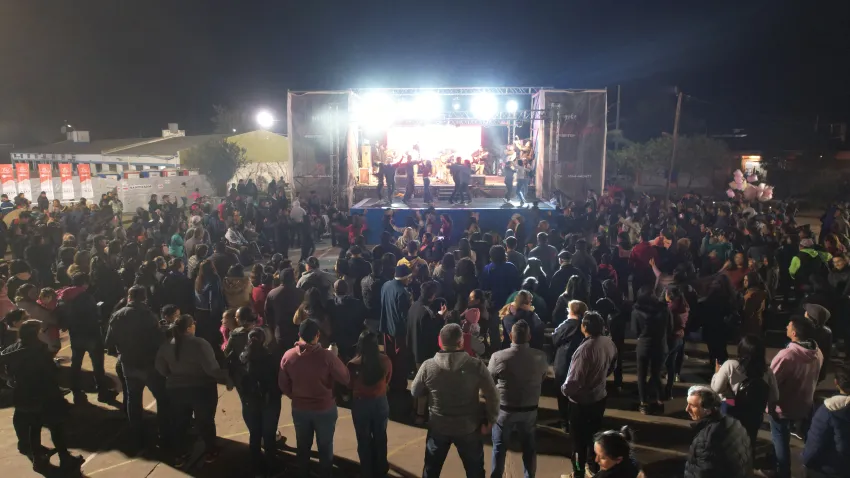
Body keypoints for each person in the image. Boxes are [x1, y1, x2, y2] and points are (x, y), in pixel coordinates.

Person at [411, 323, 499, 478]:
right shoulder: (476, 365)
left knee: (431, 470)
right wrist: (491, 420)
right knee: (475, 471)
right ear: (461, 342)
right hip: (468, 427)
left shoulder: (428, 366)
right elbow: (492, 394)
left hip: (438, 426)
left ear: (440, 341)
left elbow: (415, 391)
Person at [0, 320, 84, 473]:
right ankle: (65, 458)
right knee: (56, 427)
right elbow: (50, 373)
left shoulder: (13, 349)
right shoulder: (39, 350)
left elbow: (4, 365)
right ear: (34, 334)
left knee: (34, 427)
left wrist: (10, 379)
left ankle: (38, 460)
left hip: (24, 394)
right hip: (45, 394)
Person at [278, 319, 350, 478]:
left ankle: (303, 473)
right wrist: (335, 357)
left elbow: (283, 384)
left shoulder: (288, 356)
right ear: (318, 335)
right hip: (324, 409)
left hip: (300, 408)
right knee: (325, 446)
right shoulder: (327, 356)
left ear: (299, 334)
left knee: (303, 446)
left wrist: (295, 396)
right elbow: (345, 378)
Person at [155, 314, 229, 465]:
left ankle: (180, 453)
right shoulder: (200, 344)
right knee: (205, 421)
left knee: (180, 422)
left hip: (176, 390)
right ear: (189, 328)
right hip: (201, 389)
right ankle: (211, 451)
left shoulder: (167, 345)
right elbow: (211, 369)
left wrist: (172, 375)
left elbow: (160, 367)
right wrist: (226, 376)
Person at [105, 286, 169, 451]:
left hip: (128, 363)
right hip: (149, 364)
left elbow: (108, 342)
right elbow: (159, 342)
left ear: (129, 297)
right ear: (144, 298)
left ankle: (136, 433)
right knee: (162, 398)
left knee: (133, 399)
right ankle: (164, 432)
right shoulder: (149, 316)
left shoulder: (117, 316)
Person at [488, 320, 549, 478]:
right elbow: (543, 376)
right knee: (529, 447)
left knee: (499, 447)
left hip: (504, 409)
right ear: (529, 336)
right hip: (530, 409)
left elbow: (489, 380)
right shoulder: (540, 356)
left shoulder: (498, 357)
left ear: (510, 336)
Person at [766, 316, 824, 478]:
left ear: (794, 333)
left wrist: (769, 405)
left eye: (789, 325)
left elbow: (771, 381)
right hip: (804, 402)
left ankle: (783, 472)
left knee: (780, 438)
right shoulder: (817, 352)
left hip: (782, 407)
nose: (786, 326)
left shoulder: (787, 355)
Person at [561, 312, 618, 477]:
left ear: (584, 327)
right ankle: (594, 469)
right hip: (599, 398)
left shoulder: (584, 350)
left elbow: (573, 381)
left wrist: (565, 391)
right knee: (594, 438)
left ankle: (578, 473)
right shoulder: (608, 342)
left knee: (578, 443)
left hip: (581, 403)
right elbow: (612, 365)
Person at [710, 334, 778, 456]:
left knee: (727, 441)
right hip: (755, 413)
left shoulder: (731, 365)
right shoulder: (767, 371)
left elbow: (717, 388)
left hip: (733, 406)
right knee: (749, 442)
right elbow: (775, 397)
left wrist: (716, 373)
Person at [57, 272, 119, 404]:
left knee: (76, 364)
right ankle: (102, 392)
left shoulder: (65, 296)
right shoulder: (85, 297)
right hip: (91, 334)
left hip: (75, 334)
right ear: (85, 283)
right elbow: (94, 315)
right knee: (98, 365)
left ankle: (76, 392)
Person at [347, 331, 393, 478]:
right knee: (380, 436)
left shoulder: (353, 364)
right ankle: (381, 469)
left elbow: (349, 384)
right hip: (380, 401)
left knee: (363, 439)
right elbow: (388, 378)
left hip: (361, 404)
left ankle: (367, 470)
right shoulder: (385, 360)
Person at [683, 386, 752, 478]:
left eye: (693, 406)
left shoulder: (707, 438)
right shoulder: (734, 422)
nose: (687, 409)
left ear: (707, 410)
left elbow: (703, 473)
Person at [802, 365, 850, 478]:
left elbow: (814, 445)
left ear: (836, 382)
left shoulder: (828, 410)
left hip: (830, 468)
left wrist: (805, 461)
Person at [631, 286, 672, 414]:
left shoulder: (636, 311)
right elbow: (670, 328)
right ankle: (660, 401)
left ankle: (643, 403)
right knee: (656, 374)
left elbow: (635, 331)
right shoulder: (664, 309)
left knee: (641, 375)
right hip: (660, 345)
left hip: (644, 345)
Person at [378, 264, 413, 392]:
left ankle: (389, 378)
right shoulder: (403, 292)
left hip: (386, 326)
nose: (410, 280)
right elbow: (404, 316)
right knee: (399, 358)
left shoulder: (386, 285)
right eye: (409, 277)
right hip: (398, 332)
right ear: (405, 277)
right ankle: (398, 383)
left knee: (388, 355)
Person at [264, 268, 304, 349]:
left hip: (280, 333)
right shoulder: (301, 293)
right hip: (298, 333)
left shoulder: (272, 294)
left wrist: (272, 329)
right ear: (293, 279)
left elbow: (267, 314)